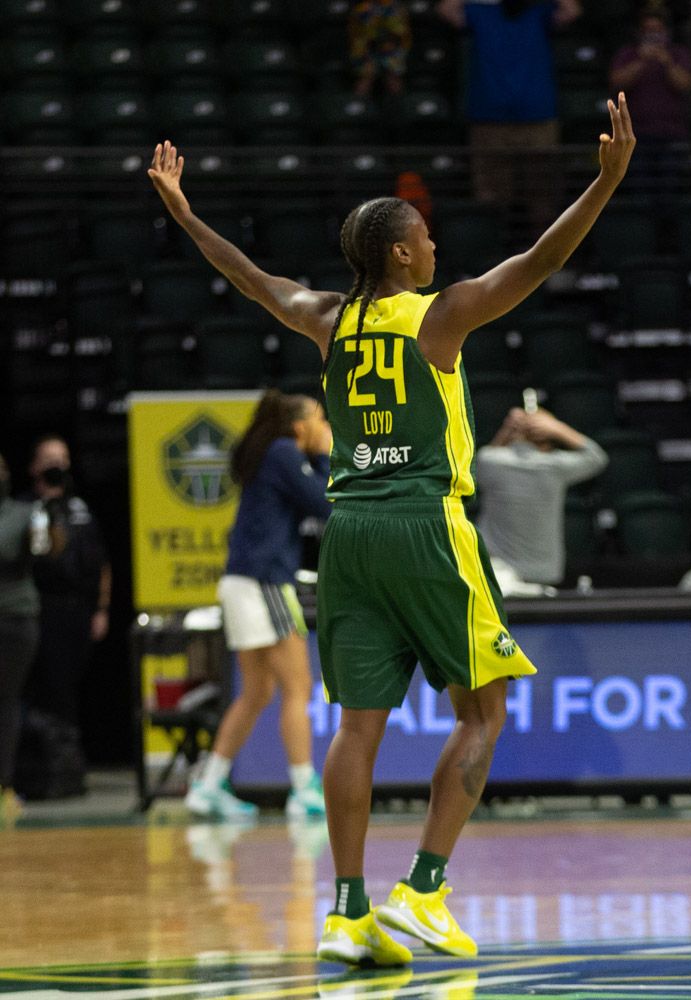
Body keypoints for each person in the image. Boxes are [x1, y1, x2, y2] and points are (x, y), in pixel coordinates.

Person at [148, 92, 635, 964]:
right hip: (425, 523)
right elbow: (542, 256)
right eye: (428, 237)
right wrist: (604, 184)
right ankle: (424, 891)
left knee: (356, 727)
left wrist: (186, 214)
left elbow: (250, 277)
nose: (438, 246)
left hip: (349, 535)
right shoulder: (439, 317)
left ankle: (345, 911)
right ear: (405, 253)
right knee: (485, 707)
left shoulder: (331, 321)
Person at [185, 390, 332, 821]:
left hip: (242, 581)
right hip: (264, 582)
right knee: (298, 688)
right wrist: (323, 457)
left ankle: (209, 785)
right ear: (299, 426)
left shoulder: (273, 454)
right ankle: (304, 790)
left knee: (257, 692)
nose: (325, 428)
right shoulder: (286, 452)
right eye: (320, 419)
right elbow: (325, 504)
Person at [437, 0, 582, 233]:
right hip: (489, 115)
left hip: (538, 114)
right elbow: (446, 10)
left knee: (543, 196)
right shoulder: (481, 11)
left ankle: (545, 260)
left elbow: (572, 10)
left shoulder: (538, 11)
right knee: (492, 197)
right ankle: (493, 258)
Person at [23, 435, 111, 736]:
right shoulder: (25, 509)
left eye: (62, 459)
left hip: (79, 611)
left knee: (71, 685)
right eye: (49, 459)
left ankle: (65, 754)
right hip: (39, 609)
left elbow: (101, 563)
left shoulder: (80, 509)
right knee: (46, 685)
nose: (57, 465)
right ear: (34, 466)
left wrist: (101, 609)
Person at [476, 406, 608, 593]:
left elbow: (483, 458)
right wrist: (557, 427)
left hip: (492, 573)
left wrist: (508, 429)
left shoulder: (493, 461)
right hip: (542, 575)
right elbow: (596, 457)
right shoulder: (555, 466)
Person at [0, 453, 63, 822]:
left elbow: (49, 550)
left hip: (14, 620)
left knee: (6, 702)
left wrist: (50, 519)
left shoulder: (22, 513)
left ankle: (4, 785)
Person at [609, 7, 691, 191]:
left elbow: (685, 84)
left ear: (666, 32)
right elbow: (617, 82)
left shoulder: (677, 54)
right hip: (636, 134)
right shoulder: (629, 54)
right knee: (640, 188)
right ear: (640, 33)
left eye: (657, 31)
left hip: (671, 132)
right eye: (648, 31)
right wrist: (641, 60)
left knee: (669, 188)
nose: (653, 36)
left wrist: (666, 61)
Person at [348, 0, 412, 98]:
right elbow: (358, 32)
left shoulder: (396, 8)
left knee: (393, 78)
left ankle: (401, 106)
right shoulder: (363, 8)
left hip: (391, 47)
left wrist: (390, 43)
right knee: (366, 78)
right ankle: (357, 106)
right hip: (366, 47)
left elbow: (401, 32)